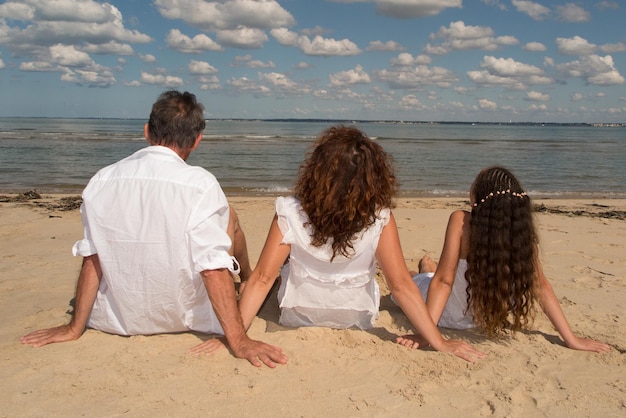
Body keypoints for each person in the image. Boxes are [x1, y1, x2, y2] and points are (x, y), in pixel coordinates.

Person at [21, 90, 287, 368]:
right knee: (228, 220)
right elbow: (211, 267)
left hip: (118, 320)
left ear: (148, 132)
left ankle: (244, 278)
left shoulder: (103, 179)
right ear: (197, 141)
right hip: (187, 317)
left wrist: (74, 327)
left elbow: (94, 258)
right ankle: (245, 279)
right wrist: (239, 340)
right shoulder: (200, 183)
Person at [199, 125, 485, 362]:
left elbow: (262, 278)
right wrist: (439, 341)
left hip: (299, 315)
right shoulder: (380, 217)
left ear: (317, 171)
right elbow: (400, 285)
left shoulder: (290, 210)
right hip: (356, 316)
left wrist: (234, 338)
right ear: (372, 178)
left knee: (281, 265)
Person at [397, 166, 610, 353]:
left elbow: (444, 281)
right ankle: (426, 268)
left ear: (479, 198)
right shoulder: (521, 236)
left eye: (473, 184)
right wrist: (570, 339)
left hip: (445, 312)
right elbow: (541, 286)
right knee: (431, 275)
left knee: (411, 279)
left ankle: (424, 270)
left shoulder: (461, 221)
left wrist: (427, 334)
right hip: (481, 318)